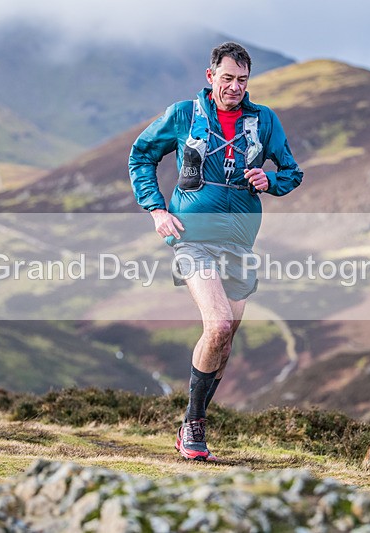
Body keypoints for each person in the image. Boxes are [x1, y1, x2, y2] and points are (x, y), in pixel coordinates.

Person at [128, 42, 303, 460]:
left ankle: (193, 418)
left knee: (225, 341)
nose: (234, 88)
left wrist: (270, 181)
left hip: (240, 241)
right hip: (193, 236)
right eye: (227, 79)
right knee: (220, 324)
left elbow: (292, 172)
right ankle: (194, 424)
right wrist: (155, 210)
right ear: (211, 77)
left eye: (242, 80)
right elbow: (140, 157)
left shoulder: (264, 121)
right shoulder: (184, 114)